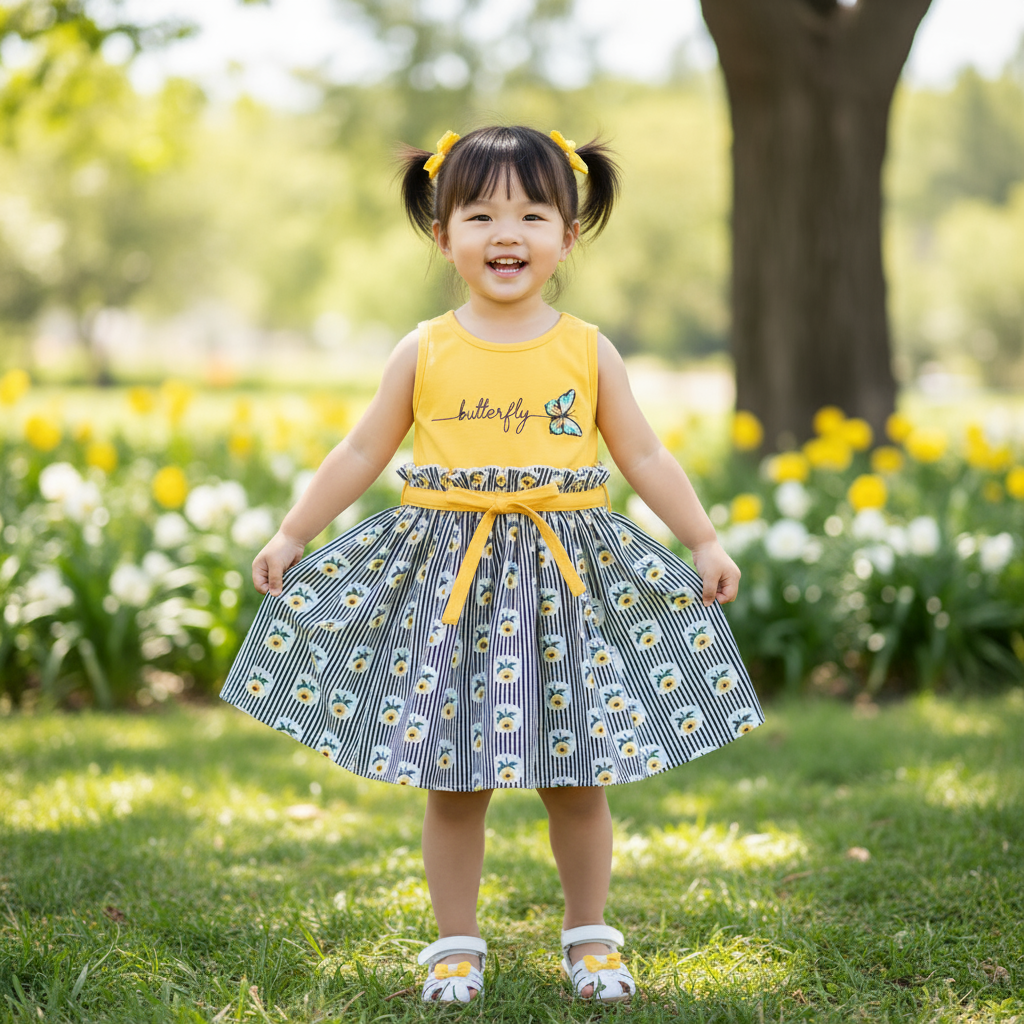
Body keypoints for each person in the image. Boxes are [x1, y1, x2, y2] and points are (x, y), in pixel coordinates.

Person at [220, 125, 764, 1005]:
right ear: (443, 235)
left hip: (562, 588)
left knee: (576, 772)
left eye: (531, 213)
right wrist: (293, 531)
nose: (505, 233)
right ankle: (455, 944)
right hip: (453, 587)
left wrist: (701, 536)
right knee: (456, 775)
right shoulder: (424, 349)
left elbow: (646, 457)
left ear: (568, 234)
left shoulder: (587, 350)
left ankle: (590, 937)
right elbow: (362, 452)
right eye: (479, 214)